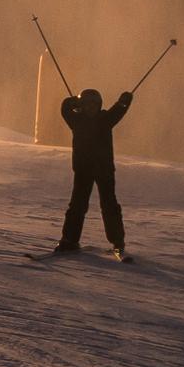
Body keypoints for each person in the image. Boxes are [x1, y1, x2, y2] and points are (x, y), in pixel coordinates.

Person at [51, 86, 132, 255]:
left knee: (109, 205)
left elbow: (119, 110)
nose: (91, 108)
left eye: (94, 105)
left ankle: (118, 240)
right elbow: (64, 108)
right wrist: (72, 101)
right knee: (77, 205)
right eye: (87, 105)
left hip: (104, 170)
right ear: (82, 106)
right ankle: (69, 240)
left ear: (99, 105)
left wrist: (124, 101)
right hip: (83, 170)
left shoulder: (105, 119)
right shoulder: (77, 120)